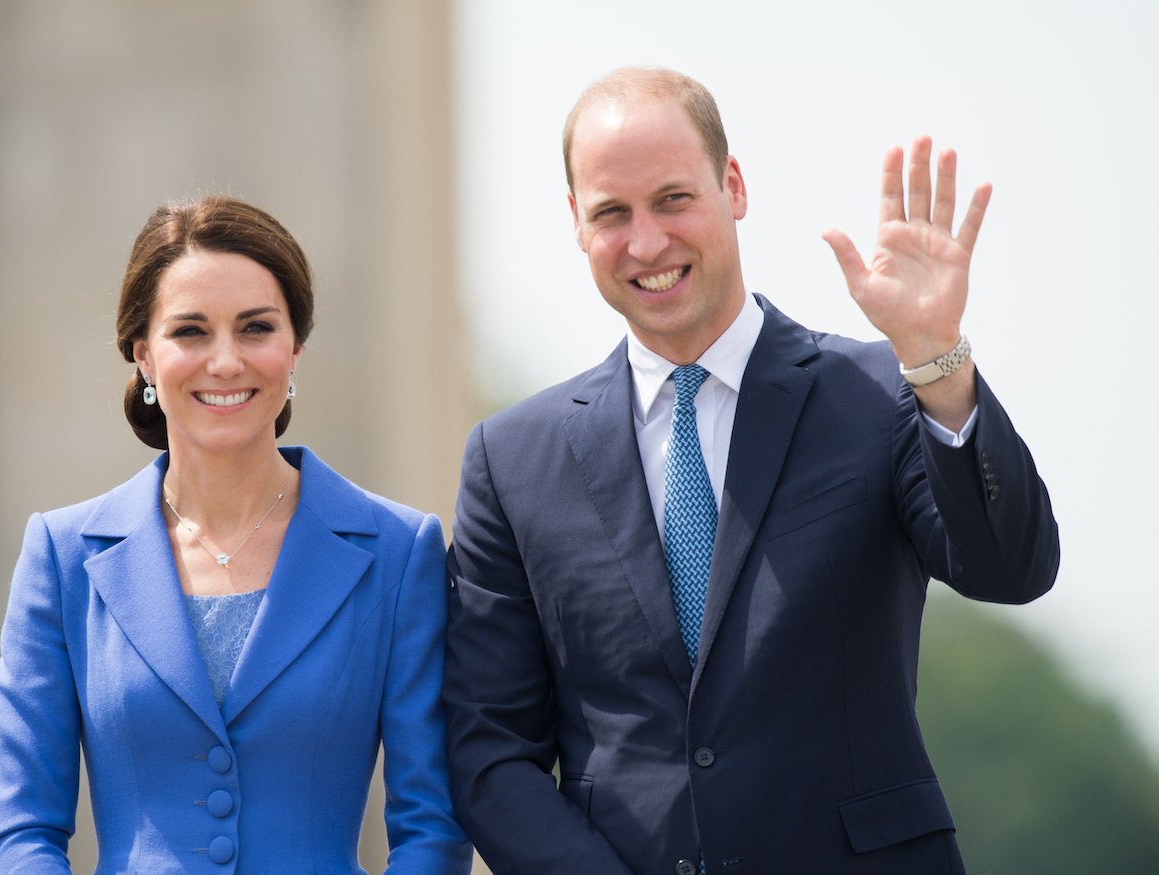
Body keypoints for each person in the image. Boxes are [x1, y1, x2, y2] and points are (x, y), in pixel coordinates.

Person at [442, 67, 1059, 874]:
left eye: (673, 199)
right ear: (576, 223)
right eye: (612, 213)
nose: (648, 242)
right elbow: (490, 749)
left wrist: (938, 362)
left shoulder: (878, 394)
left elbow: (1010, 567)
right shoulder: (512, 460)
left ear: (733, 186)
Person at [0, 196, 471, 874]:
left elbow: (433, 826)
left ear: (294, 346)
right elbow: (20, 829)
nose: (225, 360)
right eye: (190, 331)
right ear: (143, 354)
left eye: (255, 327)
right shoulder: (62, 557)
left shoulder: (397, 551)